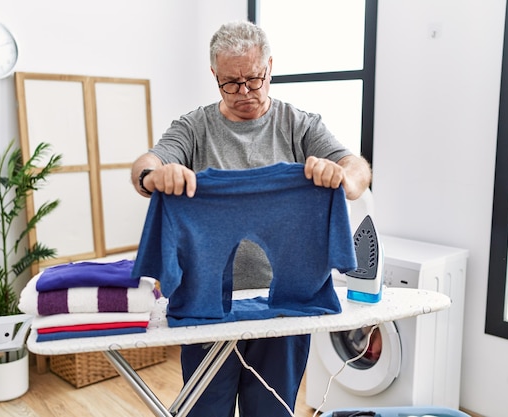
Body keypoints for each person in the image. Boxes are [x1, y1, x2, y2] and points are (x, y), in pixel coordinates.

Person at [131, 20, 371, 417]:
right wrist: (153, 175)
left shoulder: (300, 125)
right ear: (214, 75)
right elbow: (147, 163)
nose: (245, 92)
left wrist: (343, 178)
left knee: (272, 411)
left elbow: (356, 168)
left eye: (254, 79)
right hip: (204, 305)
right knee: (206, 410)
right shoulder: (193, 128)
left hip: (287, 303)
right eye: (231, 82)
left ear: (270, 67)